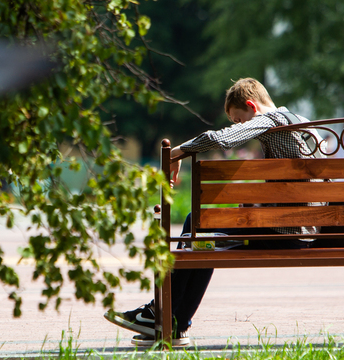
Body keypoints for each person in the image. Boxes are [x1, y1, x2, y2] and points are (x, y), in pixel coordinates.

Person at [103, 78, 324, 347]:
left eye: (239, 119)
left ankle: (161, 315)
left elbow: (220, 139)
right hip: (307, 228)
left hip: (284, 231)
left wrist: (176, 153)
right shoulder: (302, 121)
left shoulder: (269, 119)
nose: (239, 126)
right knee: (203, 236)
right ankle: (173, 320)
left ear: (252, 106)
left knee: (198, 225)